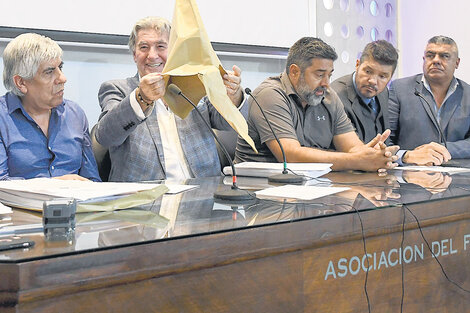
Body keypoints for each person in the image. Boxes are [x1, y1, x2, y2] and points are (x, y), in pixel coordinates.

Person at [95, 16, 246, 182]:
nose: (152, 56)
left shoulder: (194, 83)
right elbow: (105, 135)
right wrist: (141, 98)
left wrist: (233, 95)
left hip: (204, 193)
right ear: (134, 55)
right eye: (144, 47)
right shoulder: (118, 89)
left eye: (161, 46)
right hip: (145, 199)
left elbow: (226, 123)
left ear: (174, 52)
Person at [235, 37, 398, 172]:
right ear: (294, 71)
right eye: (320, 75)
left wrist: (375, 155)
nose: (326, 83)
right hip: (259, 192)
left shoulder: (328, 96)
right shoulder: (270, 94)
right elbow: (290, 156)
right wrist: (358, 160)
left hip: (308, 187)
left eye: (329, 75)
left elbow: (353, 148)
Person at [0, 33, 100, 181]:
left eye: (60, 67)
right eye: (49, 72)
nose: (62, 78)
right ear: (21, 83)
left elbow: (92, 180)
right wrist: (54, 186)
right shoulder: (3, 117)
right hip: (20, 204)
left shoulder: (75, 114)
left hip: (75, 203)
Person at [389, 35, 470, 166]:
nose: (436, 60)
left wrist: (441, 149)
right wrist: (406, 156)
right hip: (409, 178)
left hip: (457, 180)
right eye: (430, 55)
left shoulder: (468, 94)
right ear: (424, 59)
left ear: (457, 63)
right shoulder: (399, 89)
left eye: (444, 56)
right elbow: (386, 138)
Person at [331, 40, 398, 143]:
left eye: (382, 76)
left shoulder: (383, 93)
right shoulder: (335, 97)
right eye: (368, 71)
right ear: (357, 65)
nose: (373, 81)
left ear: (390, 77)